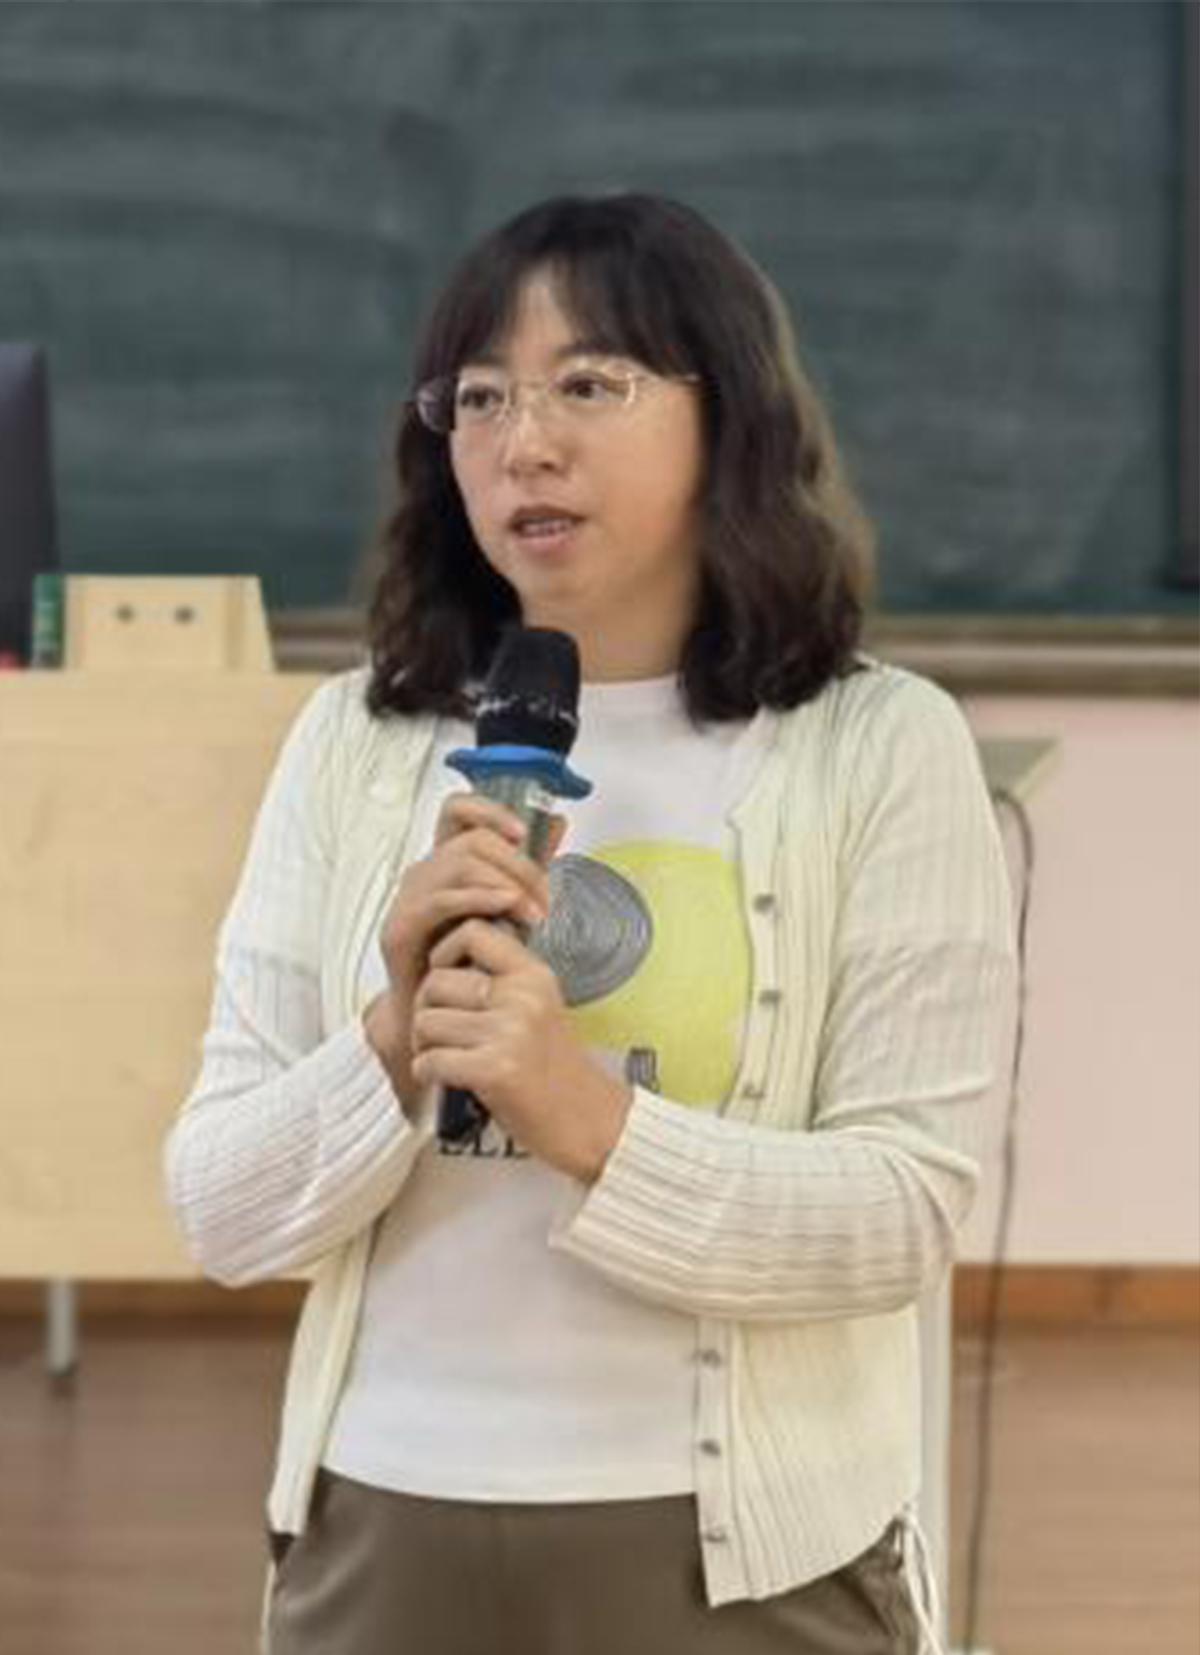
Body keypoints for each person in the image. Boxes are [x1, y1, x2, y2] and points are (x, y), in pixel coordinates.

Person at [164, 192, 1015, 1655]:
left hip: (740, 1562)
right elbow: (223, 1212)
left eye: (588, 385)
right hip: (386, 1530)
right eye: (479, 397)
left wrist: (583, 1118)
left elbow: (900, 1214)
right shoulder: (358, 742)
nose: (524, 444)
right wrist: (390, 1041)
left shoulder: (877, 745)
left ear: (726, 416)